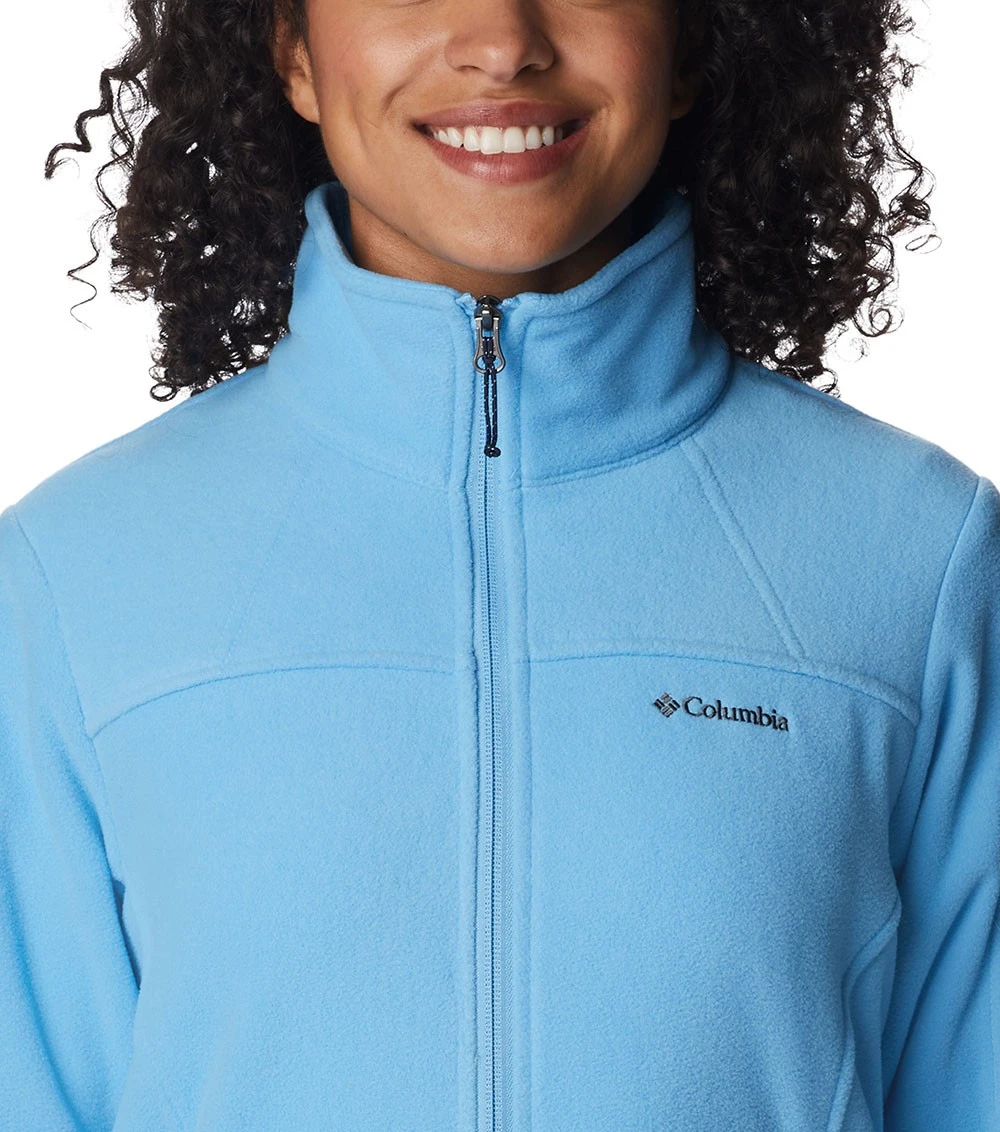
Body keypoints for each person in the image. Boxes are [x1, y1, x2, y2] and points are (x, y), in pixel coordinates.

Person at [1, 0, 996, 1128]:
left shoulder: (921, 557)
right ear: (292, 50)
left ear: (690, 42)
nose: (501, 38)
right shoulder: (71, 577)